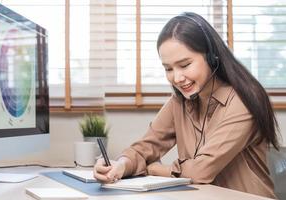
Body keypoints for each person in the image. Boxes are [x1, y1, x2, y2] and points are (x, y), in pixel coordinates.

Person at [93, 12, 280, 198]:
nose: (177, 78)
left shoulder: (242, 101)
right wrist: (121, 165)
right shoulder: (179, 102)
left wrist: (155, 169)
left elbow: (201, 171)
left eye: (184, 65)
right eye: (168, 69)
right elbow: (145, 148)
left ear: (211, 56)